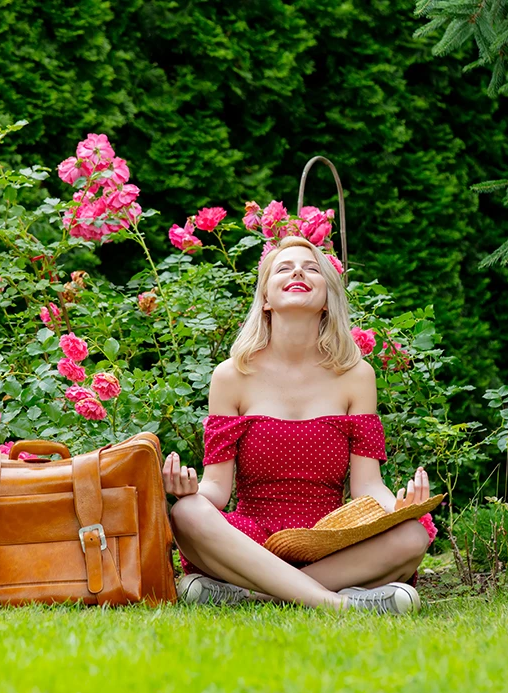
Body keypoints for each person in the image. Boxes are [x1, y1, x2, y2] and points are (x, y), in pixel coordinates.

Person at [164, 235, 434, 614]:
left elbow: (368, 486)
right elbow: (216, 490)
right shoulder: (231, 376)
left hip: (331, 541)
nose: (297, 272)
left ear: (326, 300)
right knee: (186, 514)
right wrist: (187, 491)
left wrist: (400, 508)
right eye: (284, 268)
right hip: (250, 540)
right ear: (265, 299)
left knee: (412, 535)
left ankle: (256, 595)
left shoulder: (356, 375)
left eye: (311, 269)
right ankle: (338, 603)